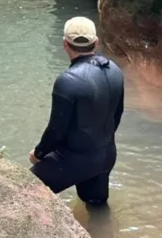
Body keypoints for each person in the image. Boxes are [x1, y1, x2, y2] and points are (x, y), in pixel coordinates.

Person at [29, 16, 124, 205]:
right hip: (106, 155)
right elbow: (117, 116)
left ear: (65, 44)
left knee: (24, 194)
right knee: (96, 205)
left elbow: (56, 131)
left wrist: (38, 154)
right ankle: (102, 234)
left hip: (74, 160)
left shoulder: (68, 81)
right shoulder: (114, 70)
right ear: (96, 42)